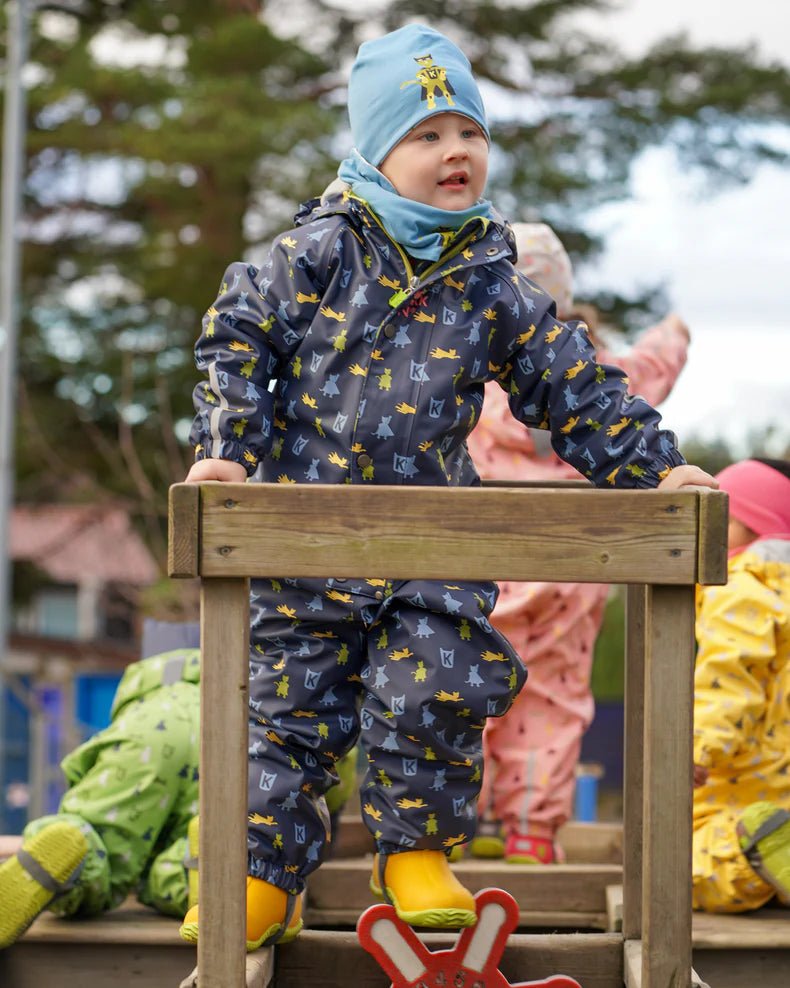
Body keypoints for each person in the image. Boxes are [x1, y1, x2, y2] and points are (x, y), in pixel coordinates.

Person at [182, 22, 715, 949]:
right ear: (377, 151)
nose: (454, 150)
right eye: (425, 135)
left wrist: (658, 467)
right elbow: (238, 335)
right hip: (312, 539)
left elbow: (572, 384)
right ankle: (259, 875)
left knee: (436, 687)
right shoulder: (317, 252)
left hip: (431, 546)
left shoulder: (489, 277)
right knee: (288, 713)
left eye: (467, 130)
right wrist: (230, 444)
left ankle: (416, 852)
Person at [465, 222, 691, 864]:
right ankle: (532, 833)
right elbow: (656, 365)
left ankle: (448, 825)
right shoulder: (595, 373)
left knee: (456, 685)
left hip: (477, 568)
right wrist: (674, 330)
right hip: (573, 569)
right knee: (552, 702)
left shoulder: (466, 376)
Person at [0, 647, 201, 949]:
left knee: (99, 839)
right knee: (188, 850)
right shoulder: (237, 673)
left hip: (148, 731)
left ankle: (71, 853)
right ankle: (196, 867)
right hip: (221, 730)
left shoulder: (152, 681)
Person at [692, 457, 790, 913]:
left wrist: (700, 747)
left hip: (743, 783)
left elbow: (731, 671)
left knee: (689, 865)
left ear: (756, 525)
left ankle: (757, 845)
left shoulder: (739, 587)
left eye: (720, 519)